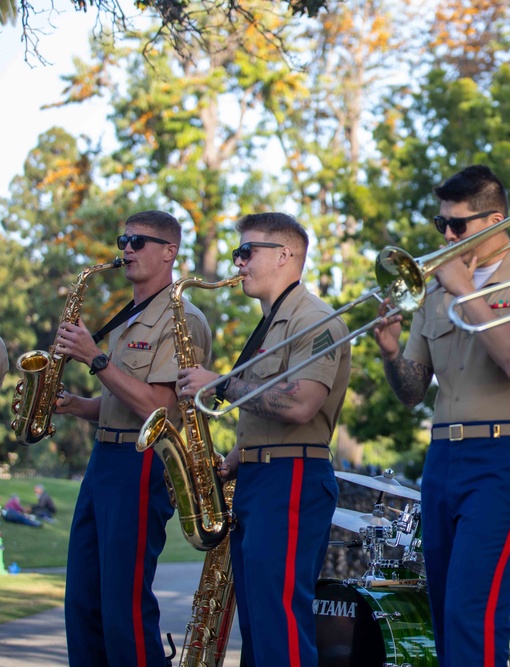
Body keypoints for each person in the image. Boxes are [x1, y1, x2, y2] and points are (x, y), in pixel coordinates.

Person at [373, 165, 510, 667]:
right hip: (442, 455)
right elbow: (412, 391)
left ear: (495, 220)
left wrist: (465, 288)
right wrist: (391, 350)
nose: (445, 236)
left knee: (473, 609)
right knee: (442, 607)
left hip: (503, 455)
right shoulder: (435, 294)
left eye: (456, 226)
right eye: (440, 224)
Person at [179, 212, 348, 667]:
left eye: (247, 252)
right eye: (238, 253)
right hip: (261, 476)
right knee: (257, 628)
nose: (238, 263)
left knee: (280, 627)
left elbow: (299, 406)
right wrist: (235, 458)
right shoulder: (269, 322)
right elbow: (268, 412)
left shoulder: (315, 320)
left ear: (285, 255)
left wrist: (219, 385)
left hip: (291, 479)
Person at [53, 209, 211, 667]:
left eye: (138, 242)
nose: (126, 250)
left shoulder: (185, 318)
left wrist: (96, 359)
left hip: (141, 465)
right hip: (105, 458)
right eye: (123, 240)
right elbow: (123, 401)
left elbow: (158, 408)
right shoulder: (127, 317)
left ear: (169, 252)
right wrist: (76, 405)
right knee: (83, 600)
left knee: (124, 603)